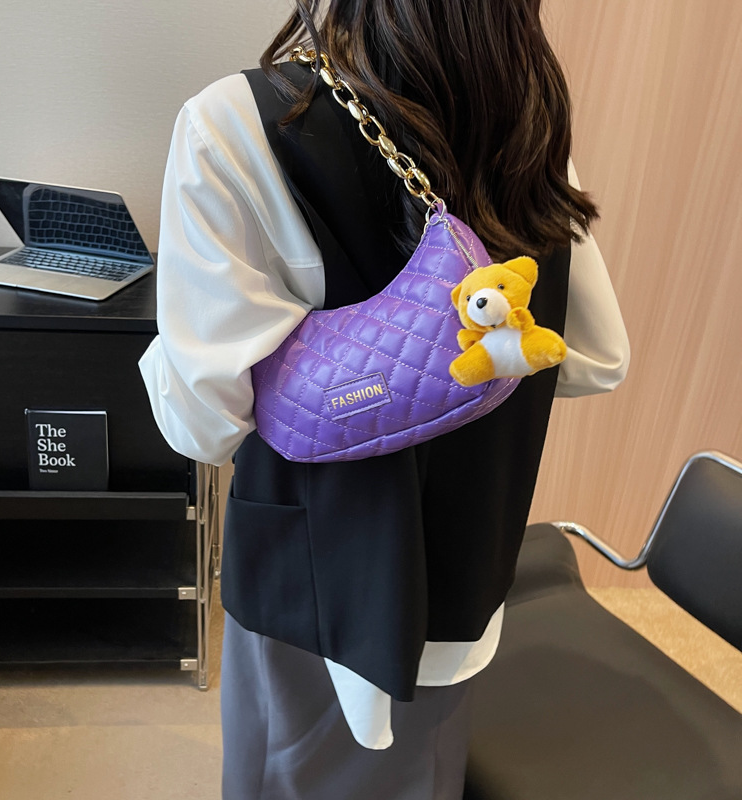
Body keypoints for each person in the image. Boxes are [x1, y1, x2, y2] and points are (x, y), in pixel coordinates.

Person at [139, 1, 630, 797]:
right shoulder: (528, 126)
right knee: (423, 773)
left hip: (313, 590)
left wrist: (176, 344)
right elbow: (597, 360)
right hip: (468, 571)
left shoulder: (236, 123)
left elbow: (203, 424)